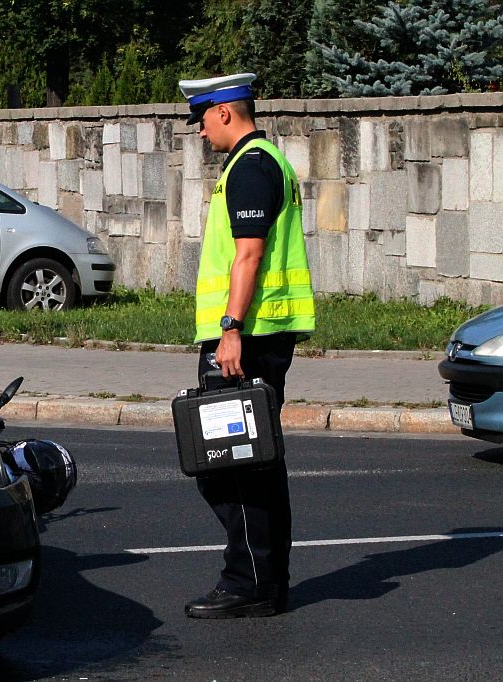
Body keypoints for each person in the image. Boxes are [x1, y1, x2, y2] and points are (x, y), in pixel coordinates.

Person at [178, 73, 316, 619]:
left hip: (247, 339)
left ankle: (249, 582)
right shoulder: (264, 162)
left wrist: (230, 329)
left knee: (227, 463)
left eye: (203, 118)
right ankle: (264, 581)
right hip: (259, 335)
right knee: (252, 463)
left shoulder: (250, 167)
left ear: (225, 112)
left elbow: (249, 254)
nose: (201, 130)